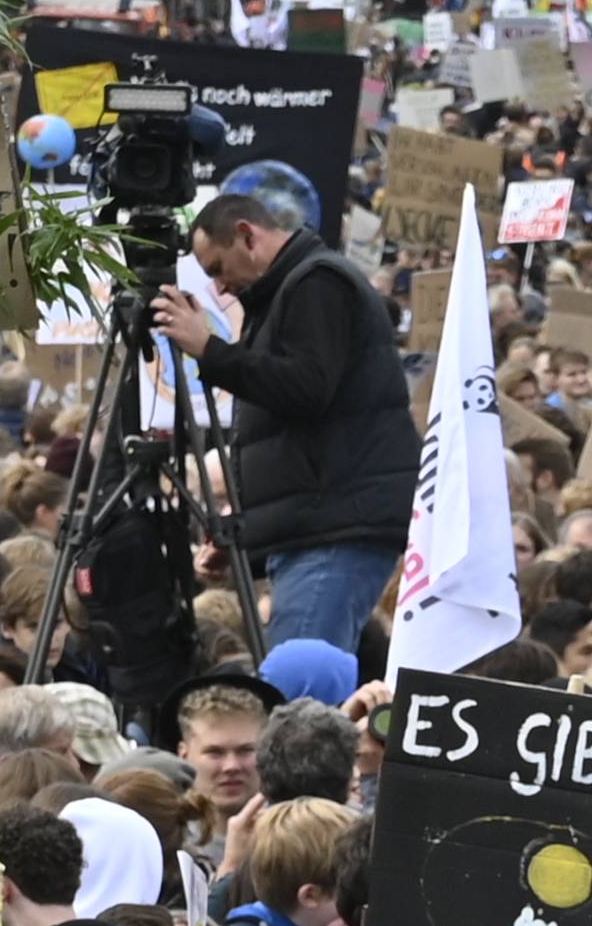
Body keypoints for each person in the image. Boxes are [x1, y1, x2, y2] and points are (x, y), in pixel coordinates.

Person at [161, 173, 413, 669]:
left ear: (248, 235)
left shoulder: (317, 282)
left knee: (297, 685)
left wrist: (210, 350)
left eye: (217, 267)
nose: (218, 286)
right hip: (322, 524)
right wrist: (245, 537)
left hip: (337, 529)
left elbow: (303, 389)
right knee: (306, 679)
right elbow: (289, 437)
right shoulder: (283, 293)